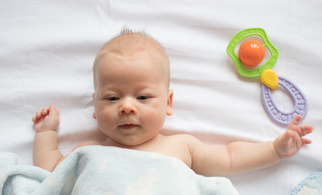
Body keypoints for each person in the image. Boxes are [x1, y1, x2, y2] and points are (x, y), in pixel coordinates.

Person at [32, 29, 313, 174]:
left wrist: (276, 149)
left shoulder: (180, 146)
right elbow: (50, 173)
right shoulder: (88, 151)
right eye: (112, 97)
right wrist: (46, 134)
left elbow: (230, 158)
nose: (127, 106)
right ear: (95, 106)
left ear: (168, 102)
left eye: (143, 97)